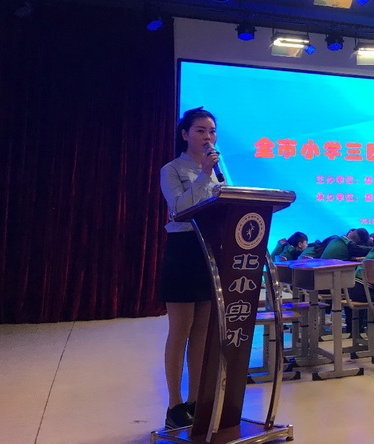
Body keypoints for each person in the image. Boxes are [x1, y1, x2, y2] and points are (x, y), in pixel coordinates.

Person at [158, 107, 224, 429]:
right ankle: (175, 404)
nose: (208, 137)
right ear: (185, 134)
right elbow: (179, 208)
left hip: (208, 250)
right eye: (200, 130)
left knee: (201, 331)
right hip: (183, 250)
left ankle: (197, 400)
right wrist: (202, 176)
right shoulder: (172, 169)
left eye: (212, 131)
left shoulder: (217, 172)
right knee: (180, 329)